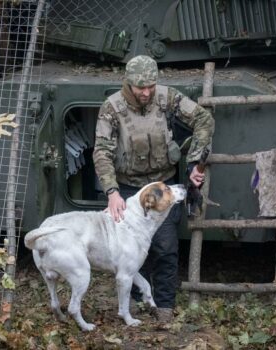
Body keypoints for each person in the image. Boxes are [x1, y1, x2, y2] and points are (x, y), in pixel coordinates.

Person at [93, 55, 215, 322]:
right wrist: (112, 192)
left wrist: (195, 162)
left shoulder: (166, 97)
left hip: (163, 187)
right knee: (131, 251)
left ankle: (164, 306)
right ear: (129, 83)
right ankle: (136, 303)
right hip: (129, 189)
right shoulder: (112, 108)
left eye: (151, 85)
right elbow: (101, 152)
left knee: (165, 247)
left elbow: (203, 119)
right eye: (140, 87)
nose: (146, 92)